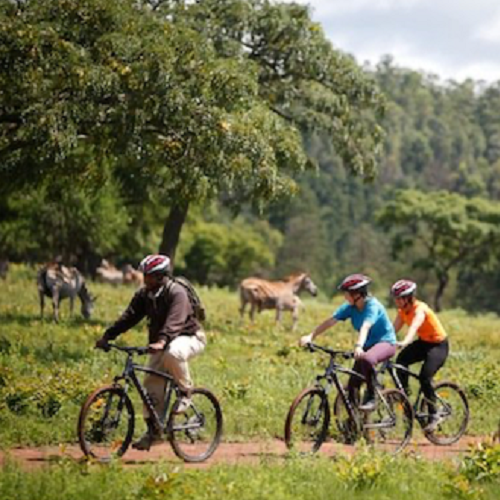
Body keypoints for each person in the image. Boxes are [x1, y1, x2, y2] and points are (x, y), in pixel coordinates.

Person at [95, 254, 206, 450]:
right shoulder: (144, 294)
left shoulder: (176, 292)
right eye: (145, 275)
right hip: (161, 343)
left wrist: (162, 340)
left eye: (150, 276)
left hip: (189, 337)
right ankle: (154, 432)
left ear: (162, 276)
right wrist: (107, 336)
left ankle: (185, 392)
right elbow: (129, 317)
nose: (145, 279)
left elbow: (175, 320)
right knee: (150, 389)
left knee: (173, 353)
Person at [300, 274, 396, 411]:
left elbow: (365, 326)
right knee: (353, 385)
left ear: (358, 294)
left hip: (386, 343)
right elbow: (330, 321)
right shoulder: (350, 307)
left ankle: (372, 395)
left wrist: (358, 346)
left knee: (368, 359)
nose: (345, 296)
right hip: (367, 345)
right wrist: (311, 336)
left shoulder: (372, 306)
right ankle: (354, 423)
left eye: (347, 293)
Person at [391, 279, 449, 432]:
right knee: (401, 361)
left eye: (399, 298)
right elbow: (391, 331)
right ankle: (404, 396)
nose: (396, 301)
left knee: (424, 376)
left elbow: (414, 326)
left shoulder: (420, 309)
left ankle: (434, 414)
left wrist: (405, 341)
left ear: (408, 297)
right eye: (395, 298)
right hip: (423, 343)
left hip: (438, 345)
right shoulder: (402, 312)